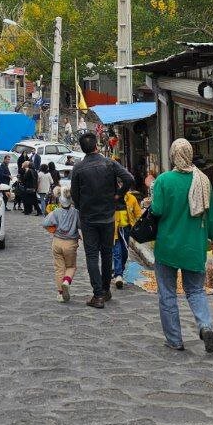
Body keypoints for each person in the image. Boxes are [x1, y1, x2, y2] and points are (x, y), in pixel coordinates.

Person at [149, 138, 213, 352]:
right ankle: (205, 326)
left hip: (168, 247)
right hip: (194, 247)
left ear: (172, 156)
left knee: (167, 294)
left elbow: (157, 210)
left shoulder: (163, 180)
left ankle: (174, 340)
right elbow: (212, 214)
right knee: (196, 290)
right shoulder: (203, 180)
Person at [70, 132, 134, 308]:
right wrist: (118, 195)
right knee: (107, 253)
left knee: (92, 255)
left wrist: (83, 206)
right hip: (107, 215)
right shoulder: (109, 163)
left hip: (88, 217)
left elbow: (75, 195)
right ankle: (105, 290)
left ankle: (97, 294)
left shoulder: (78, 168)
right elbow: (129, 178)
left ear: (83, 149)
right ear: (96, 146)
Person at [42, 187, 81, 302]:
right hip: (70, 243)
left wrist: (53, 230)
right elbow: (81, 225)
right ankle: (66, 281)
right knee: (71, 266)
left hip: (57, 242)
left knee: (59, 268)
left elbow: (45, 223)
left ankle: (60, 293)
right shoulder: (76, 213)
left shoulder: (56, 212)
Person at [112, 175, 143, 289]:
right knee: (117, 251)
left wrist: (139, 227)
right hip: (114, 229)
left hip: (126, 229)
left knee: (124, 252)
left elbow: (138, 214)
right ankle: (118, 275)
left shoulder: (131, 198)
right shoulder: (110, 198)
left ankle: (120, 270)